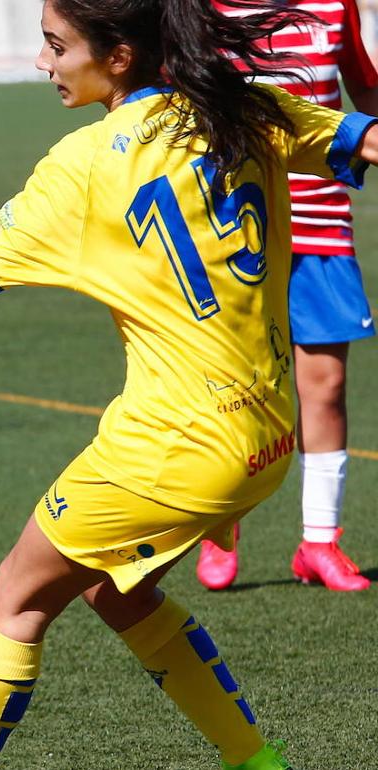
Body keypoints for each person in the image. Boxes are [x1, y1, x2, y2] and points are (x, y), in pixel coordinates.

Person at [0, 0, 378, 767]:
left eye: (55, 45)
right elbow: (364, 136)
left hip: (175, 446)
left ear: (121, 54)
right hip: (268, 434)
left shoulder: (88, 162)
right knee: (117, 590)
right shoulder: (242, 105)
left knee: (18, 596)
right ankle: (259, 762)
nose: (44, 62)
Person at [197, 0, 374, 592]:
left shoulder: (334, 4)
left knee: (324, 386)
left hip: (321, 222)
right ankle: (221, 530)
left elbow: (365, 89)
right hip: (232, 227)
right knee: (234, 387)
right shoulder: (200, 8)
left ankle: (320, 543)